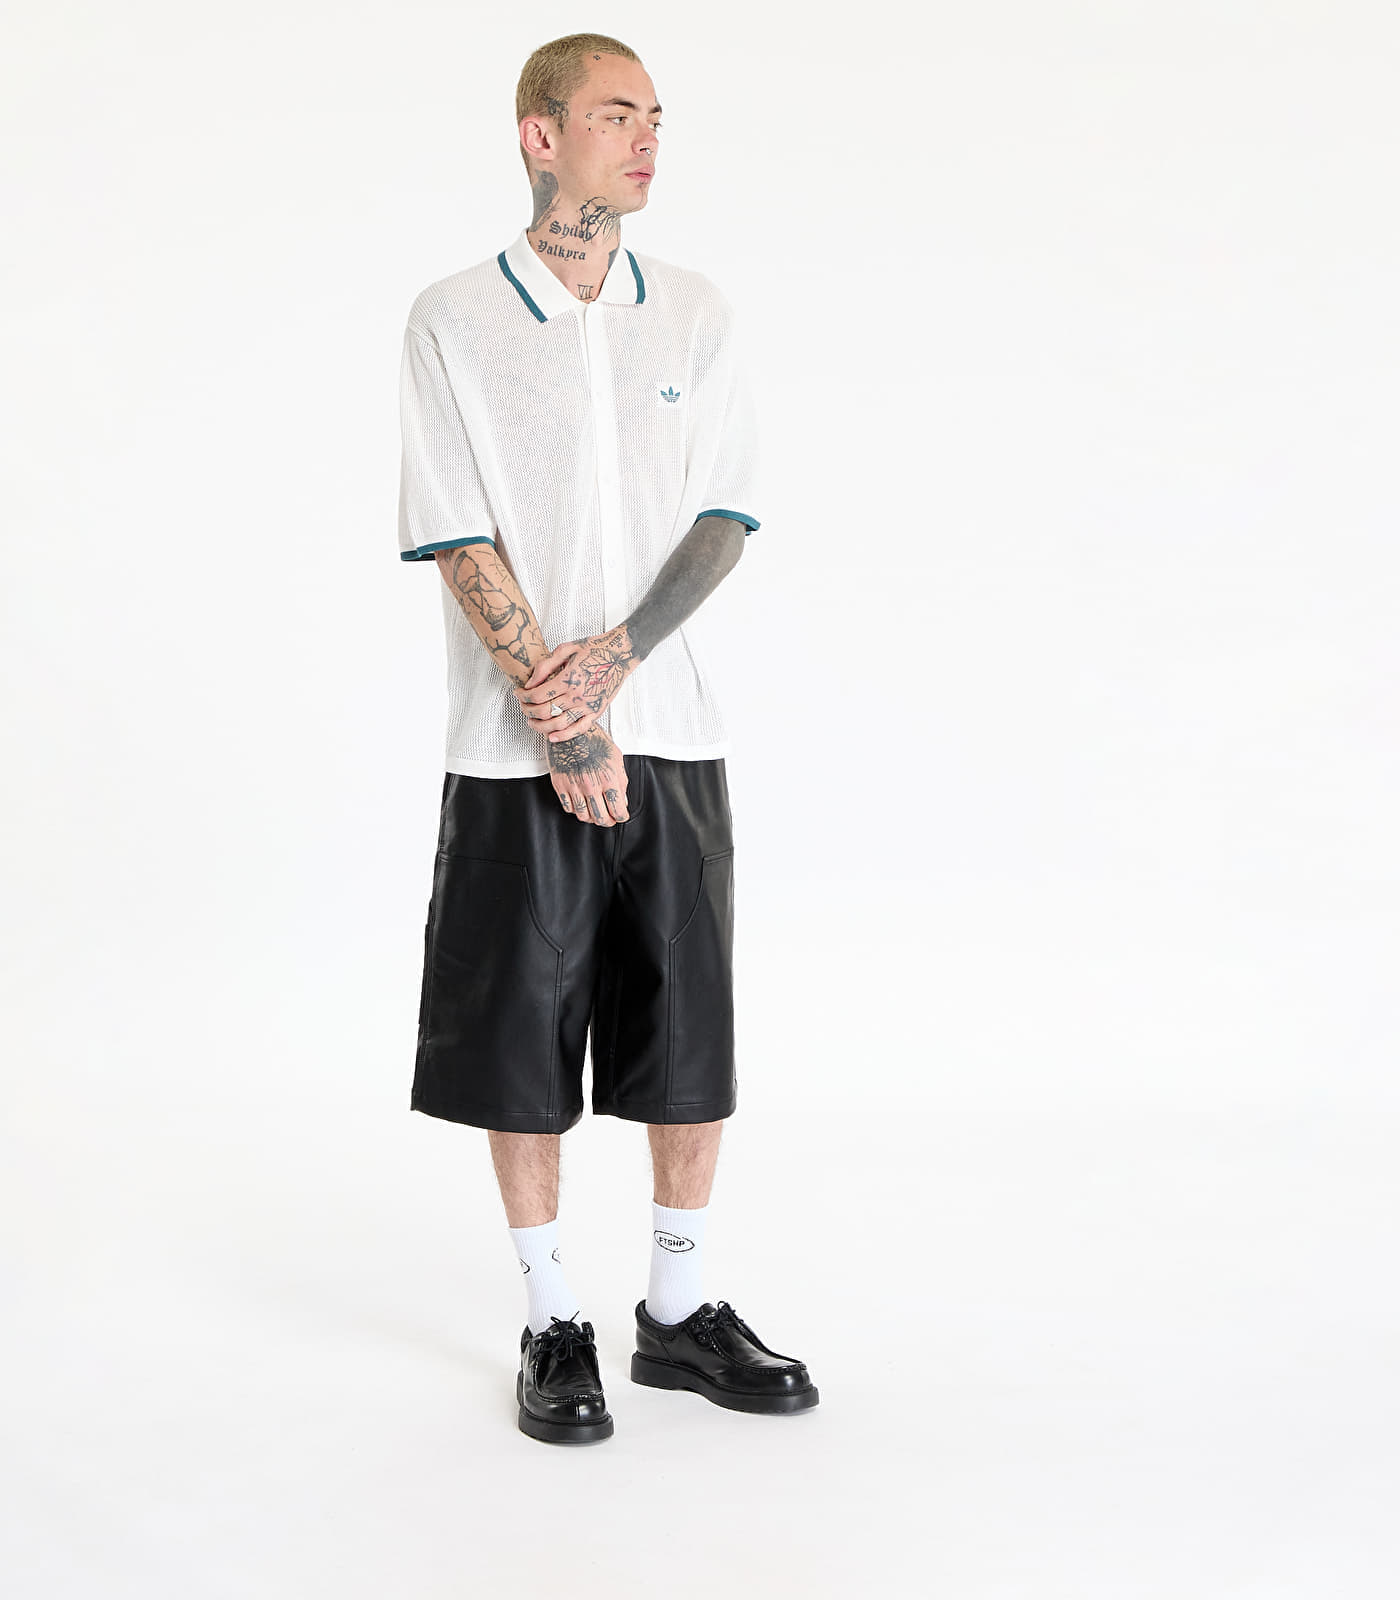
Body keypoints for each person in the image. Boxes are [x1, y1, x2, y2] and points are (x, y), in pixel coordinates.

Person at [396, 32, 818, 1444]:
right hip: (511, 745)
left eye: (656, 118)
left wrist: (621, 662)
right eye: (615, 113)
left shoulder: (689, 311)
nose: (645, 140)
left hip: (676, 730)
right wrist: (560, 715)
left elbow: (725, 515)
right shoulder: (454, 317)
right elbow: (454, 527)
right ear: (539, 133)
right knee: (521, 1036)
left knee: (687, 1030)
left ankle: (679, 1311)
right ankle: (549, 1317)